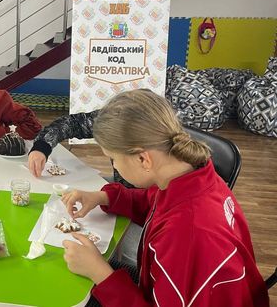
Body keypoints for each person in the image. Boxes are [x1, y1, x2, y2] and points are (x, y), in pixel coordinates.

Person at [59, 89, 269, 307]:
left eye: (113, 159)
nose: (115, 166)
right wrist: (103, 197)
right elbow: (153, 202)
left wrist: (100, 273)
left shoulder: (185, 233)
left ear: (143, 159)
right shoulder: (193, 177)